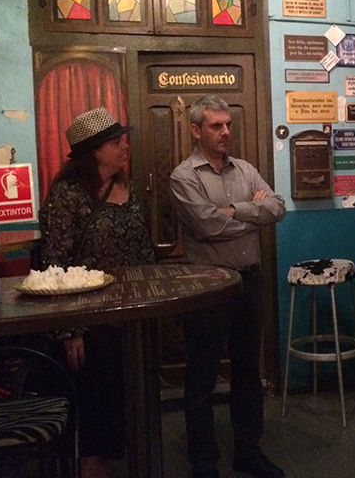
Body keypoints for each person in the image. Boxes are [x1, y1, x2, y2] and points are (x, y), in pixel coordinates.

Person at [170, 95, 286, 478]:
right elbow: (206, 225)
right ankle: (204, 461)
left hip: (248, 283)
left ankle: (248, 451)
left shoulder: (246, 170)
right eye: (216, 126)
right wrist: (254, 215)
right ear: (196, 130)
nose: (225, 132)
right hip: (208, 287)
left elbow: (278, 208)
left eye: (228, 125)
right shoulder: (184, 176)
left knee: (248, 371)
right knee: (202, 376)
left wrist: (236, 211)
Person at [40, 107, 155, 478]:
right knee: (96, 415)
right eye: (115, 141)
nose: (125, 146)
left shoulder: (128, 188)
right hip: (91, 322)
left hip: (132, 317)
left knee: (129, 409)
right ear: (93, 151)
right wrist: (69, 330)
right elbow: (55, 266)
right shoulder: (68, 196)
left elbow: (142, 249)